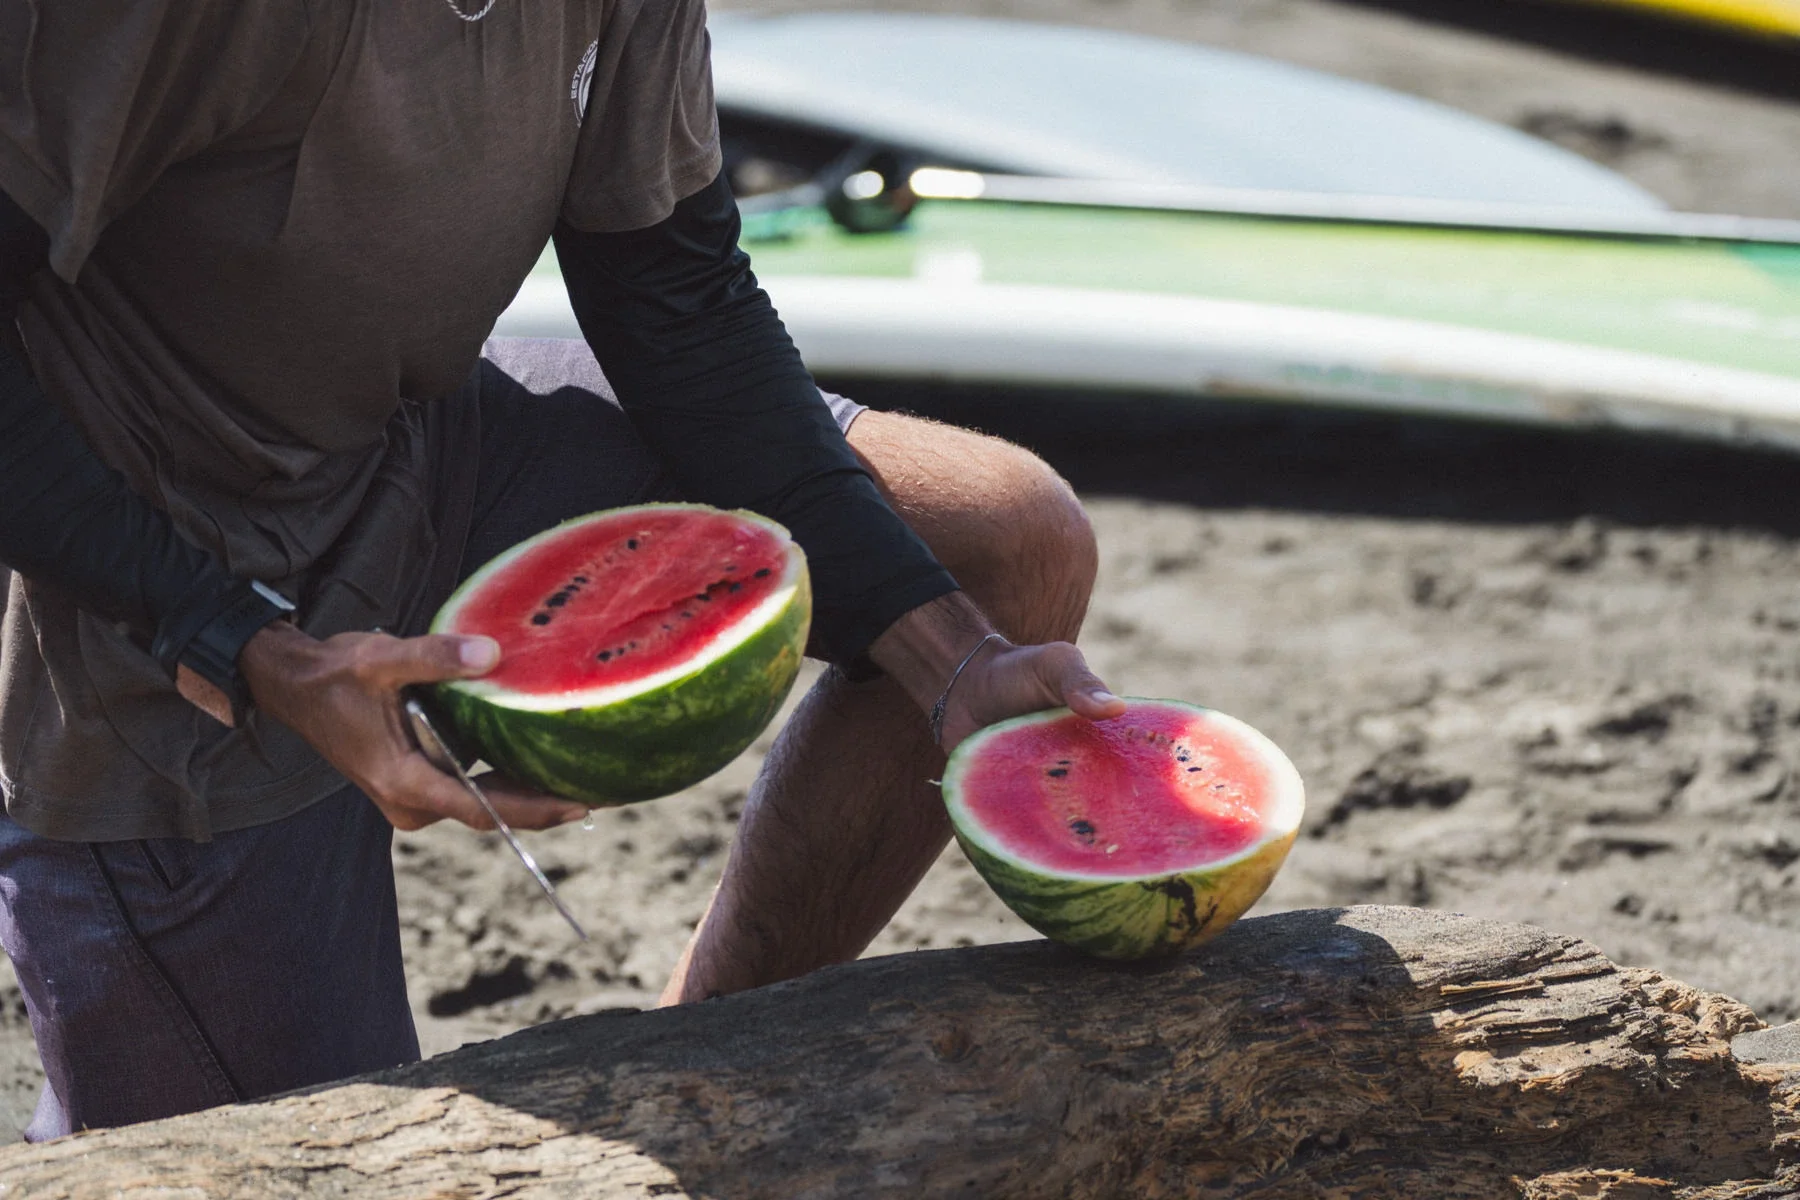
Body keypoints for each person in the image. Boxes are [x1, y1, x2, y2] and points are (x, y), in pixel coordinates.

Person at [0, 0, 1122, 1139]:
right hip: (153, 580)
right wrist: (233, 637)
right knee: (254, 1152)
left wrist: (953, 656)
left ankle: (711, 1074)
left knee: (999, 542)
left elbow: (677, 300)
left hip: (419, 438)